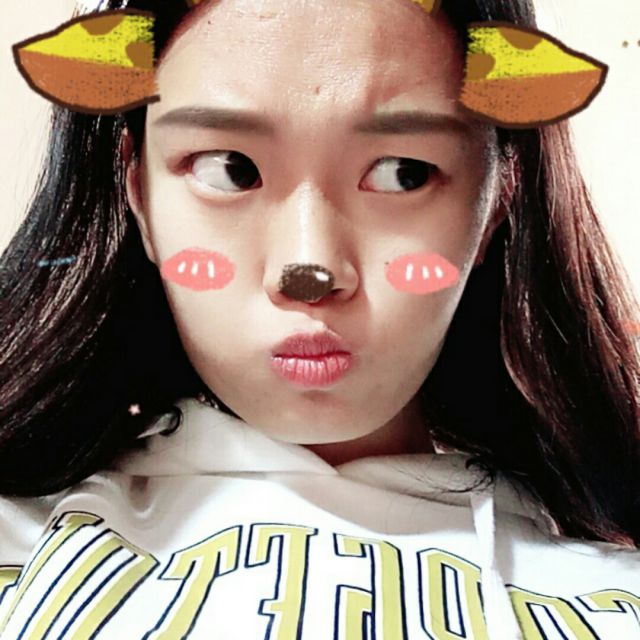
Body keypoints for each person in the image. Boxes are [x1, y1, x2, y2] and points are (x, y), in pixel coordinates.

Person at [1, 0, 639, 637]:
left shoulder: (612, 598)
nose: (309, 269)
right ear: (139, 193)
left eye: (402, 174)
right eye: (231, 170)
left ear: (496, 198)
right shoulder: (23, 546)